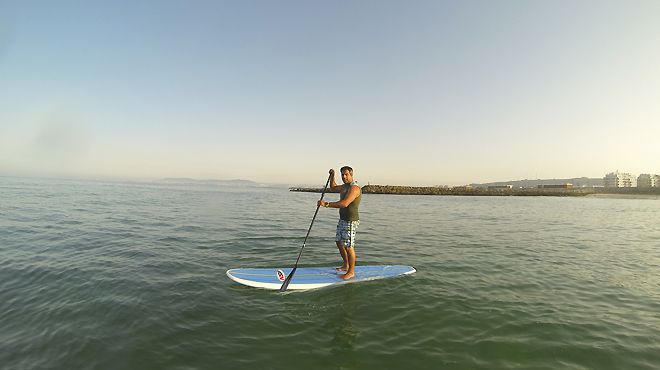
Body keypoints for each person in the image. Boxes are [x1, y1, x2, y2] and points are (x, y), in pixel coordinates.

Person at [318, 166, 362, 280]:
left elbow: (344, 203)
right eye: (342, 174)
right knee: (339, 242)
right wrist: (332, 176)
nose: (344, 176)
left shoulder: (354, 188)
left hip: (350, 221)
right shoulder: (344, 187)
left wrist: (326, 204)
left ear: (351, 175)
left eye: (346, 174)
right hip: (342, 219)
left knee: (349, 247)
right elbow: (333, 187)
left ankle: (351, 272)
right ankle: (346, 265)